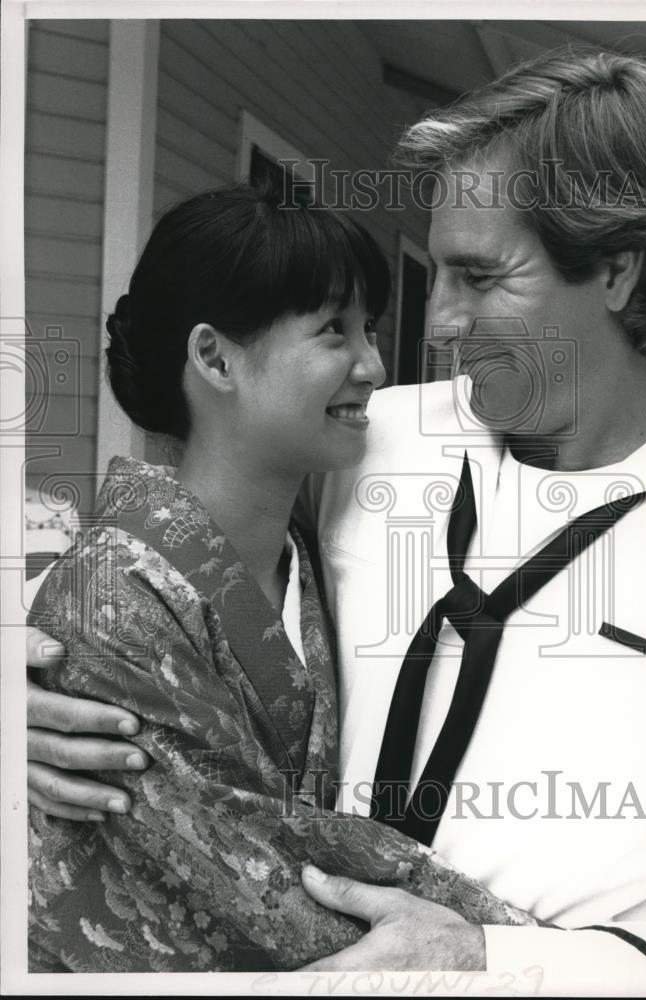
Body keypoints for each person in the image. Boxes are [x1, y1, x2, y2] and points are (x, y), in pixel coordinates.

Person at [26, 49, 646, 989]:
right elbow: (167, 556)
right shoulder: (369, 440)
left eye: (479, 276)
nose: (437, 320)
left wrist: (493, 957)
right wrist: (36, 679)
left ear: (617, 271)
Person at [25, 183, 537, 972]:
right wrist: (513, 943)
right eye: (334, 330)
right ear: (213, 356)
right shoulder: (106, 602)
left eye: (370, 329)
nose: (371, 364)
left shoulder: (311, 546)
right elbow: (251, 877)